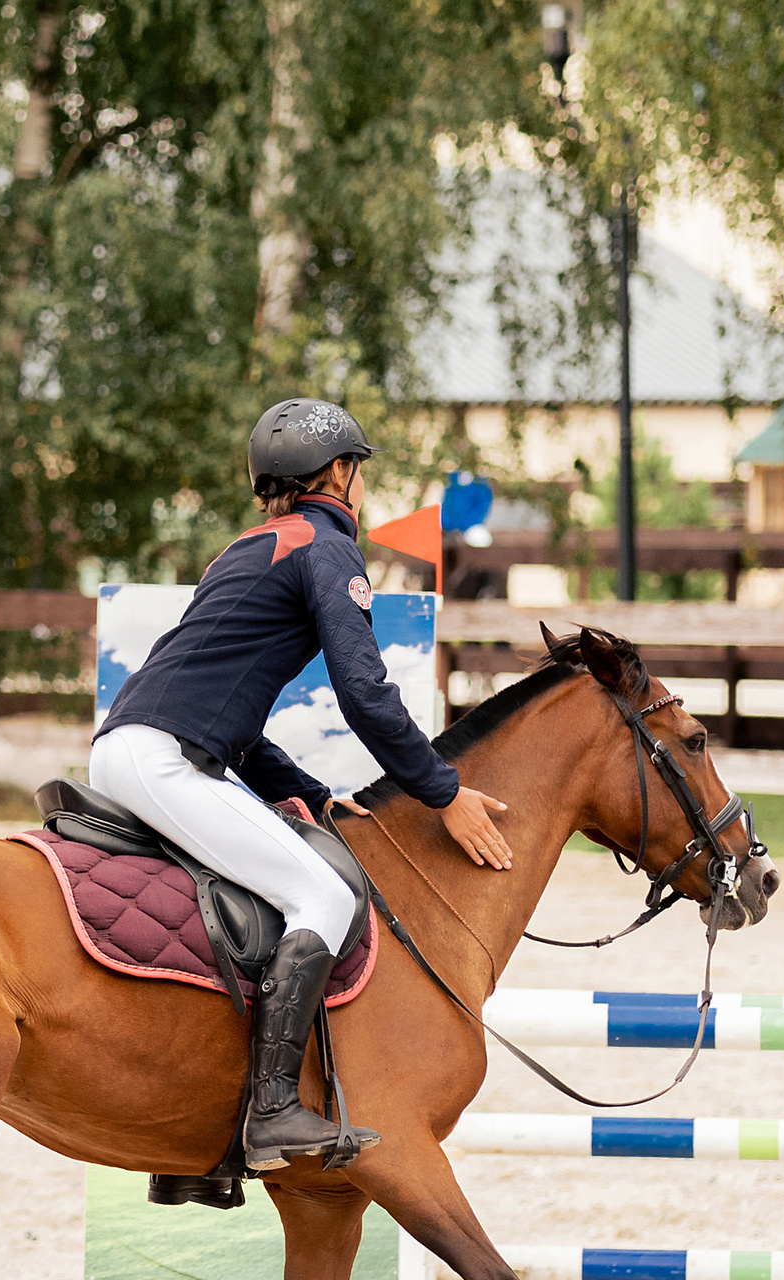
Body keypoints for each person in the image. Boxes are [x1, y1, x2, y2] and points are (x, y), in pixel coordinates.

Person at [91, 396, 509, 1171]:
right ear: (341, 473)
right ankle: (273, 1111)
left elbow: (235, 718)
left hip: (126, 747)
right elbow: (365, 691)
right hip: (165, 759)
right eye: (359, 470)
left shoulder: (248, 548)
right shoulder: (327, 546)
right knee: (325, 895)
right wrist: (441, 791)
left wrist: (313, 794)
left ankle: (200, 1149)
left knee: (244, 897)